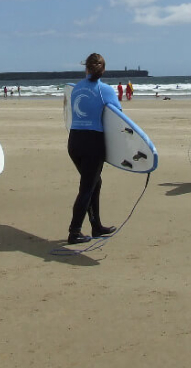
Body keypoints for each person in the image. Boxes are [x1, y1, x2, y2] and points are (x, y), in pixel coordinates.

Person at [66, 53, 120, 244]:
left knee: (94, 183)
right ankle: (74, 231)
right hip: (93, 141)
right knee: (87, 188)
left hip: (74, 141)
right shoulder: (105, 90)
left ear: (86, 68)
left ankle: (96, 226)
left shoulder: (76, 88)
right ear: (103, 70)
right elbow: (117, 118)